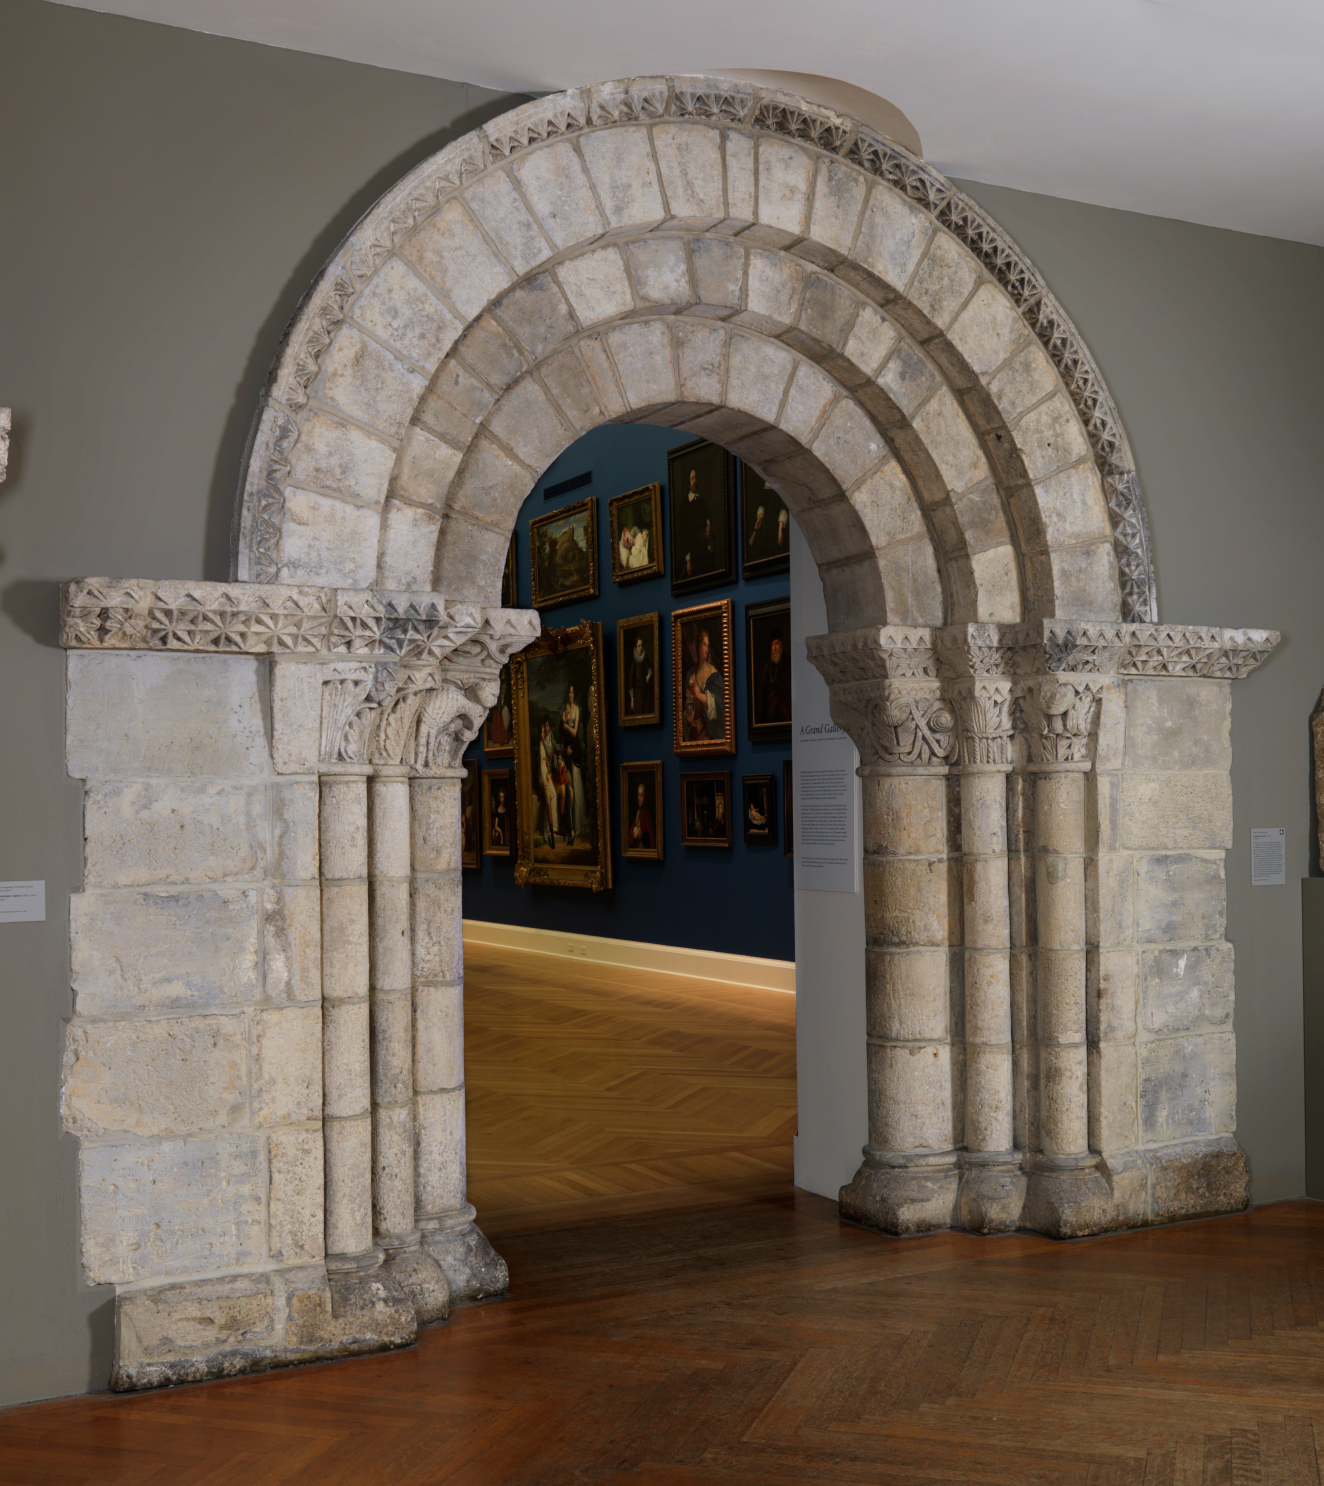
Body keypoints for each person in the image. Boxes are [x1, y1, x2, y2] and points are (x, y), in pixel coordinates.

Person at [683, 627, 723, 742]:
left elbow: (718, 703)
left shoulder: (713, 673)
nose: (707, 649)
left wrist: (698, 695)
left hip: (710, 730)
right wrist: (689, 710)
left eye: (708, 645)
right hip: (694, 731)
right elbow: (688, 701)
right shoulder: (691, 675)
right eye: (704, 644)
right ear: (698, 647)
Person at [560, 683, 588, 843]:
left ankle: (578, 825)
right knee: (568, 788)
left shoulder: (576, 709)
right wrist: (565, 748)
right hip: (568, 750)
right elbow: (564, 731)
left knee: (576, 787)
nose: (571, 694)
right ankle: (569, 827)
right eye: (569, 692)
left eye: (573, 692)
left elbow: (575, 732)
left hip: (575, 749)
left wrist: (565, 724)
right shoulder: (566, 708)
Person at [757, 630, 792, 726]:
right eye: (772, 645)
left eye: (777, 644)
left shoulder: (787, 663)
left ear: (782, 644)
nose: (774, 648)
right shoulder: (767, 665)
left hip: (782, 710)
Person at [537, 716, 559, 845]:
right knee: (552, 796)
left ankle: (549, 828)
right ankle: (549, 828)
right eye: (541, 732)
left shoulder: (546, 743)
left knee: (553, 796)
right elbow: (540, 766)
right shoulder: (540, 745)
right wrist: (545, 779)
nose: (544, 733)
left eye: (544, 731)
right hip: (543, 777)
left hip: (546, 775)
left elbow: (544, 760)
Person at [625, 633, 653, 717]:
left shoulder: (645, 659)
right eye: (638, 646)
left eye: (641, 645)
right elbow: (630, 681)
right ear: (635, 647)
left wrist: (648, 675)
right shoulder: (634, 662)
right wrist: (632, 699)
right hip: (637, 695)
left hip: (645, 693)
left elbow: (650, 667)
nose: (640, 648)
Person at [630, 781, 654, 850]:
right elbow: (631, 829)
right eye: (638, 795)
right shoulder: (638, 812)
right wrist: (635, 830)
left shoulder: (645, 812)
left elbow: (652, 837)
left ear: (645, 796)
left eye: (641, 795)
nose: (639, 798)